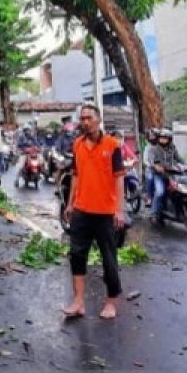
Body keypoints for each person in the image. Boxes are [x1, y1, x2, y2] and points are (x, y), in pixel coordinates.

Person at [61, 103, 127, 320]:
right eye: (82, 118)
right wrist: (70, 204)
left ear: (99, 120)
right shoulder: (77, 145)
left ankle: (110, 303)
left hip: (106, 213)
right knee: (77, 256)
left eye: (89, 118)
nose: (85, 122)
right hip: (81, 210)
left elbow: (119, 178)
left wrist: (119, 210)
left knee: (109, 259)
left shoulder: (113, 145)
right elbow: (76, 176)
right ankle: (78, 301)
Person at [149, 129, 182, 225]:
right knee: (159, 192)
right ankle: (153, 214)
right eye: (161, 138)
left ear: (169, 139)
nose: (163, 140)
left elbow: (178, 158)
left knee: (179, 190)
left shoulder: (172, 148)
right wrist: (156, 166)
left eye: (165, 138)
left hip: (171, 174)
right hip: (159, 174)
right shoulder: (154, 148)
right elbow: (151, 160)